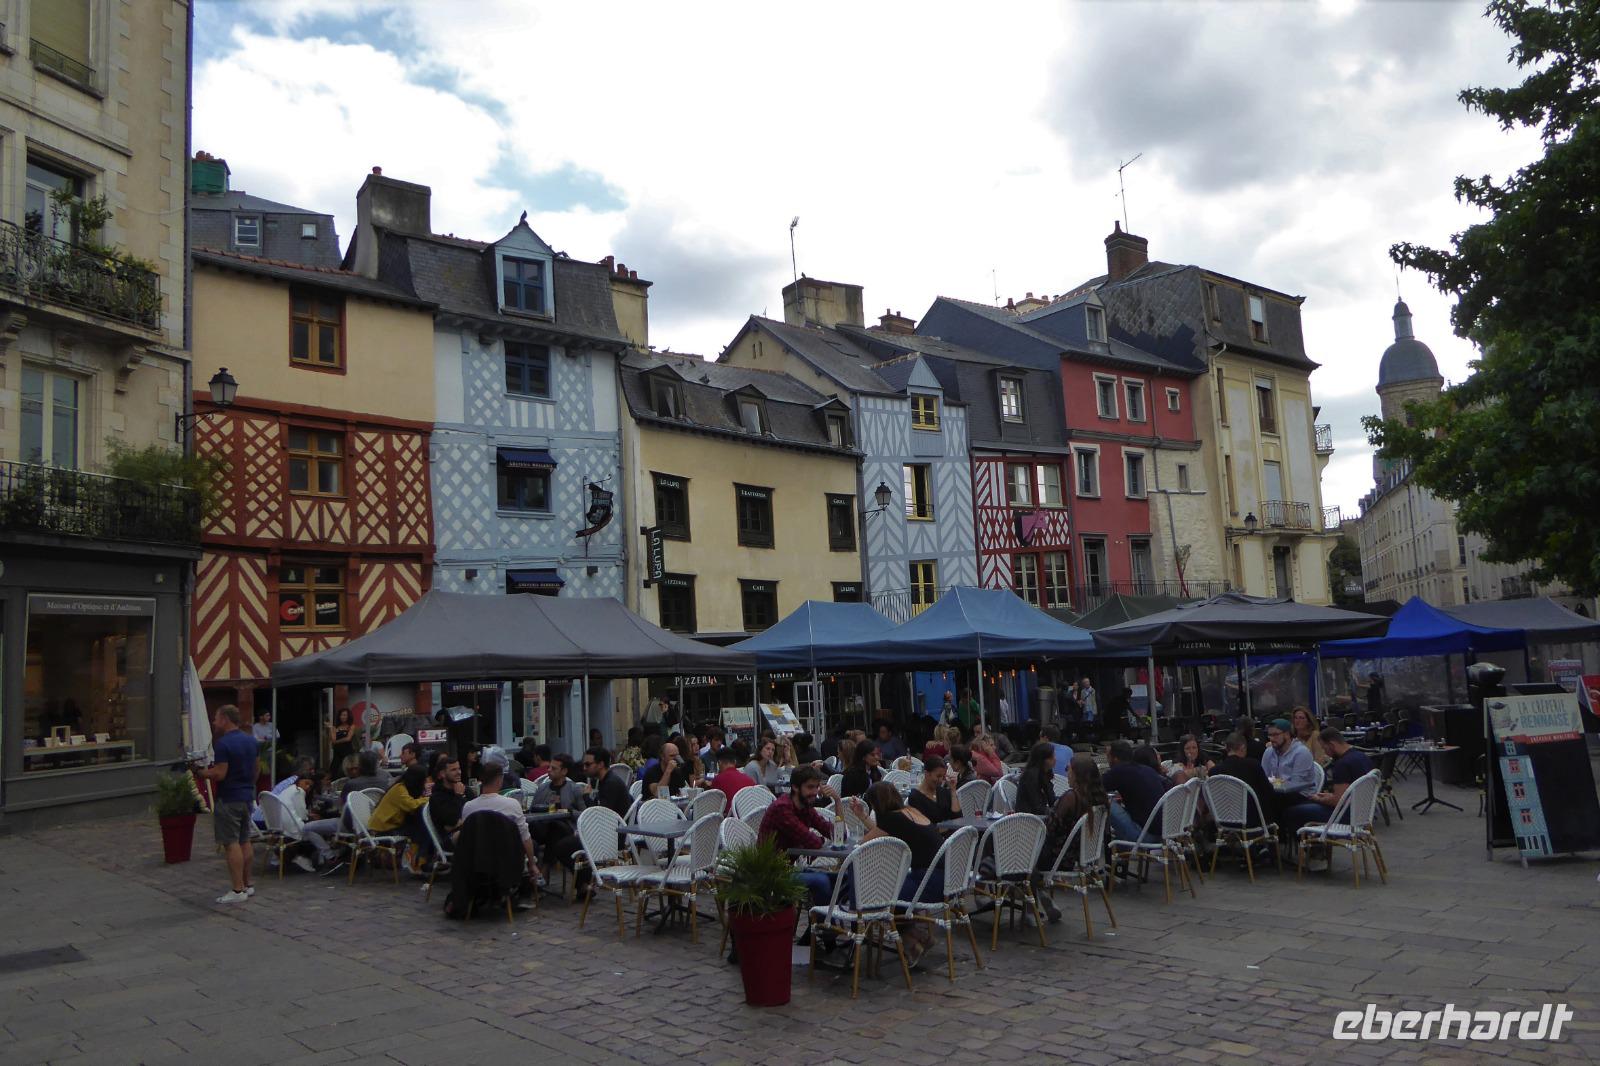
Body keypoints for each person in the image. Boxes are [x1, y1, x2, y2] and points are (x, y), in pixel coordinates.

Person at [861, 782, 941, 965]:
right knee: (895, 888)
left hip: (927, 882)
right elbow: (882, 832)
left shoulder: (890, 819)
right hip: (946, 878)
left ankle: (912, 942)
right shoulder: (911, 811)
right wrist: (863, 817)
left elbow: (865, 842)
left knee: (880, 896)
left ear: (875, 804)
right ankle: (918, 936)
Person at [756, 767, 842, 911]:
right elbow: (813, 842)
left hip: (788, 869)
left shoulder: (805, 807)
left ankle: (818, 927)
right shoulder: (782, 808)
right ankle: (823, 927)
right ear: (795, 787)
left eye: (816, 787)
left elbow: (839, 836)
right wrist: (819, 841)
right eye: (810, 787)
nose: (815, 792)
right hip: (770, 874)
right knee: (821, 881)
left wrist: (838, 801)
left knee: (839, 878)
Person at [198, 705, 258, 904]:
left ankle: (237, 889)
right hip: (246, 795)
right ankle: (248, 884)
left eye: (216, 718)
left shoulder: (223, 744)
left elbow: (220, 773)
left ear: (225, 719)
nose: (214, 722)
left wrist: (201, 772)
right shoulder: (250, 740)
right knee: (245, 840)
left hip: (229, 797)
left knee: (231, 843)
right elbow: (256, 768)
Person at [1280, 727, 1377, 843]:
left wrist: (1318, 799)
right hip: (1364, 814)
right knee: (1306, 805)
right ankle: (1315, 844)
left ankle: (1310, 847)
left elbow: (1338, 801)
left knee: (1291, 812)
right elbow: (1347, 793)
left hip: (1347, 816)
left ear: (1331, 744)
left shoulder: (1342, 764)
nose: (1325, 753)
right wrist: (1328, 796)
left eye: (1324, 748)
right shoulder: (1362, 757)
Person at [459, 760, 539, 881]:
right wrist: (532, 864)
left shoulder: (468, 807)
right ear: (499, 780)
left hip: (478, 862)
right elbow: (525, 838)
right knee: (534, 843)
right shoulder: (512, 804)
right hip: (507, 861)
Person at [1102, 739, 1170, 842]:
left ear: (1114, 758)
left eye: (1108, 757)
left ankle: (1101, 842)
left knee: (1104, 802)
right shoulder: (1147, 769)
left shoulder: (1119, 771)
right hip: (1164, 833)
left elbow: (1096, 787)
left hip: (1145, 836)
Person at [1209, 732, 1276, 828]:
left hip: (1224, 820)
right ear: (1242, 747)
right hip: (1252, 820)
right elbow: (1268, 792)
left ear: (1226, 748)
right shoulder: (1253, 765)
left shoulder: (1214, 772)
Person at [369, 764, 431, 867]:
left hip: (392, 823)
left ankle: (418, 858)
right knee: (420, 830)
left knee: (420, 827)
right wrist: (428, 799)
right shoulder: (399, 789)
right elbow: (411, 805)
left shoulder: (404, 788)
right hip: (384, 828)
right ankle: (418, 860)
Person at [1261, 718, 1317, 801]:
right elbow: (1263, 778)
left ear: (1287, 734)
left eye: (1275, 735)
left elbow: (1296, 784)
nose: (1272, 739)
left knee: (1267, 802)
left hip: (1301, 794)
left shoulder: (1301, 752)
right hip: (1278, 792)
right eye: (1270, 735)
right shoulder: (1269, 752)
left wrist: (1273, 783)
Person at [906, 755, 962, 823]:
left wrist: (953, 790)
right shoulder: (916, 797)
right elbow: (921, 825)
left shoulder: (943, 792)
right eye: (938, 776)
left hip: (952, 832)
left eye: (943, 777)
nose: (941, 780)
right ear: (927, 774)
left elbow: (958, 817)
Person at [427, 754, 468, 842]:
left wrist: (462, 821)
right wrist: (458, 796)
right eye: (453, 770)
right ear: (442, 774)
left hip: (466, 829)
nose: (459, 772)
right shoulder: (437, 797)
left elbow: (476, 809)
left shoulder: (465, 789)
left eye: (459, 769)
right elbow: (452, 821)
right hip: (450, 838)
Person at [1014, 742, 1058, 817]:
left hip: (1038, 814)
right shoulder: (1030, 776)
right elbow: (1036, 806)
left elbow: (1052, 799)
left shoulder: (1045, 773)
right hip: (1028, 818)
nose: (1055, 759)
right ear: (1043, 759)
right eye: (1051, 757)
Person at [709, 748, 755, 812]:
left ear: (719, 763)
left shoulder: (718, 779)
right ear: (735, 762)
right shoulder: (749, 779)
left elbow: (713, 805)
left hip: (728, 818)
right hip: (747, 815)